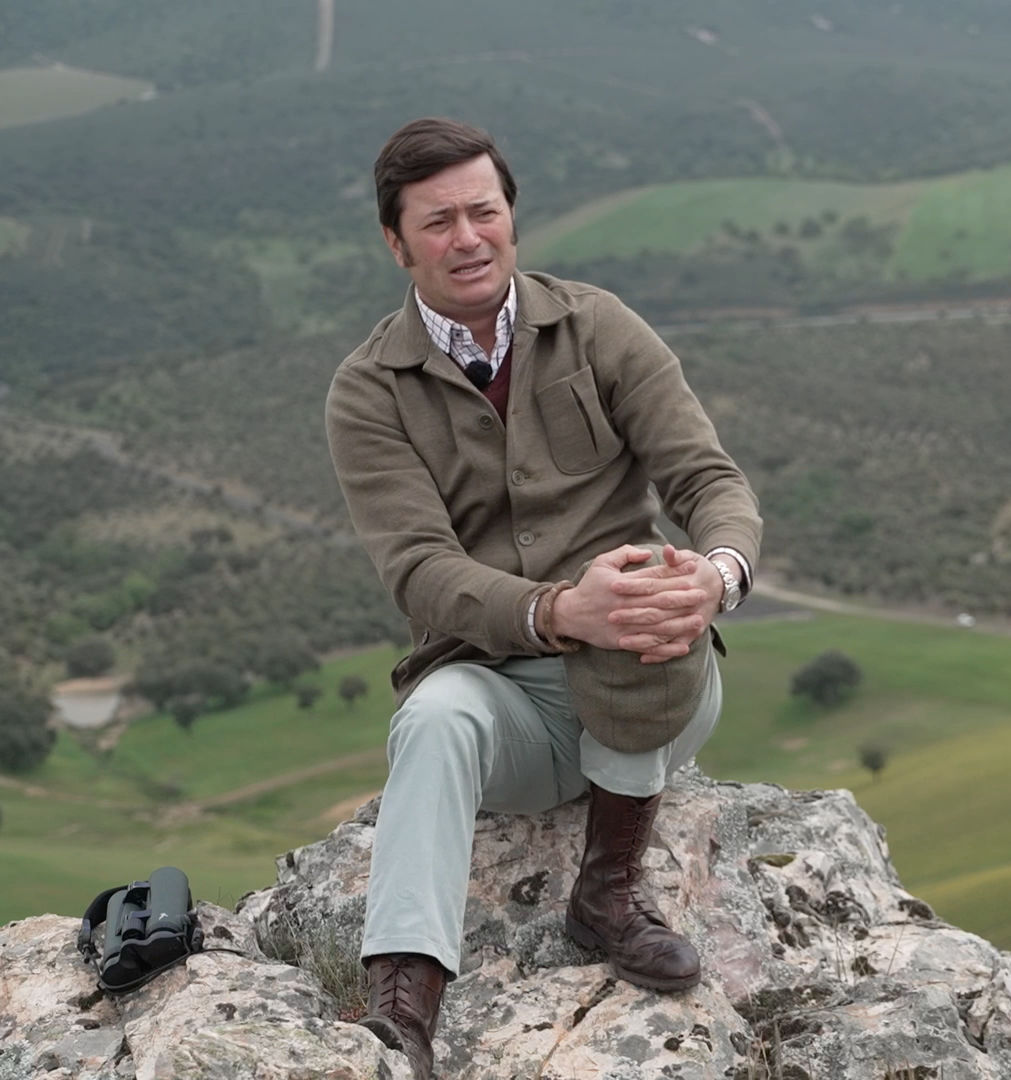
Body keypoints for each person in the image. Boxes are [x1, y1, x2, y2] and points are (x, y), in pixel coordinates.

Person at [324, 117, 760, 1079]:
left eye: (484, 211)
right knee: (432, 718)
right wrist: (561, 611)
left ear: (512, 218)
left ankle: (607, 894)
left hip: (649, 691)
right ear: (396, 244)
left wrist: (716, 574)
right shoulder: (368, 392)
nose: (468, 237)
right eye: (438, 222)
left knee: (647, 596)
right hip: (502, 699)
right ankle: (405, 1007)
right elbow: (420, 570)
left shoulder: (600, 326)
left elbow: (709, 481)